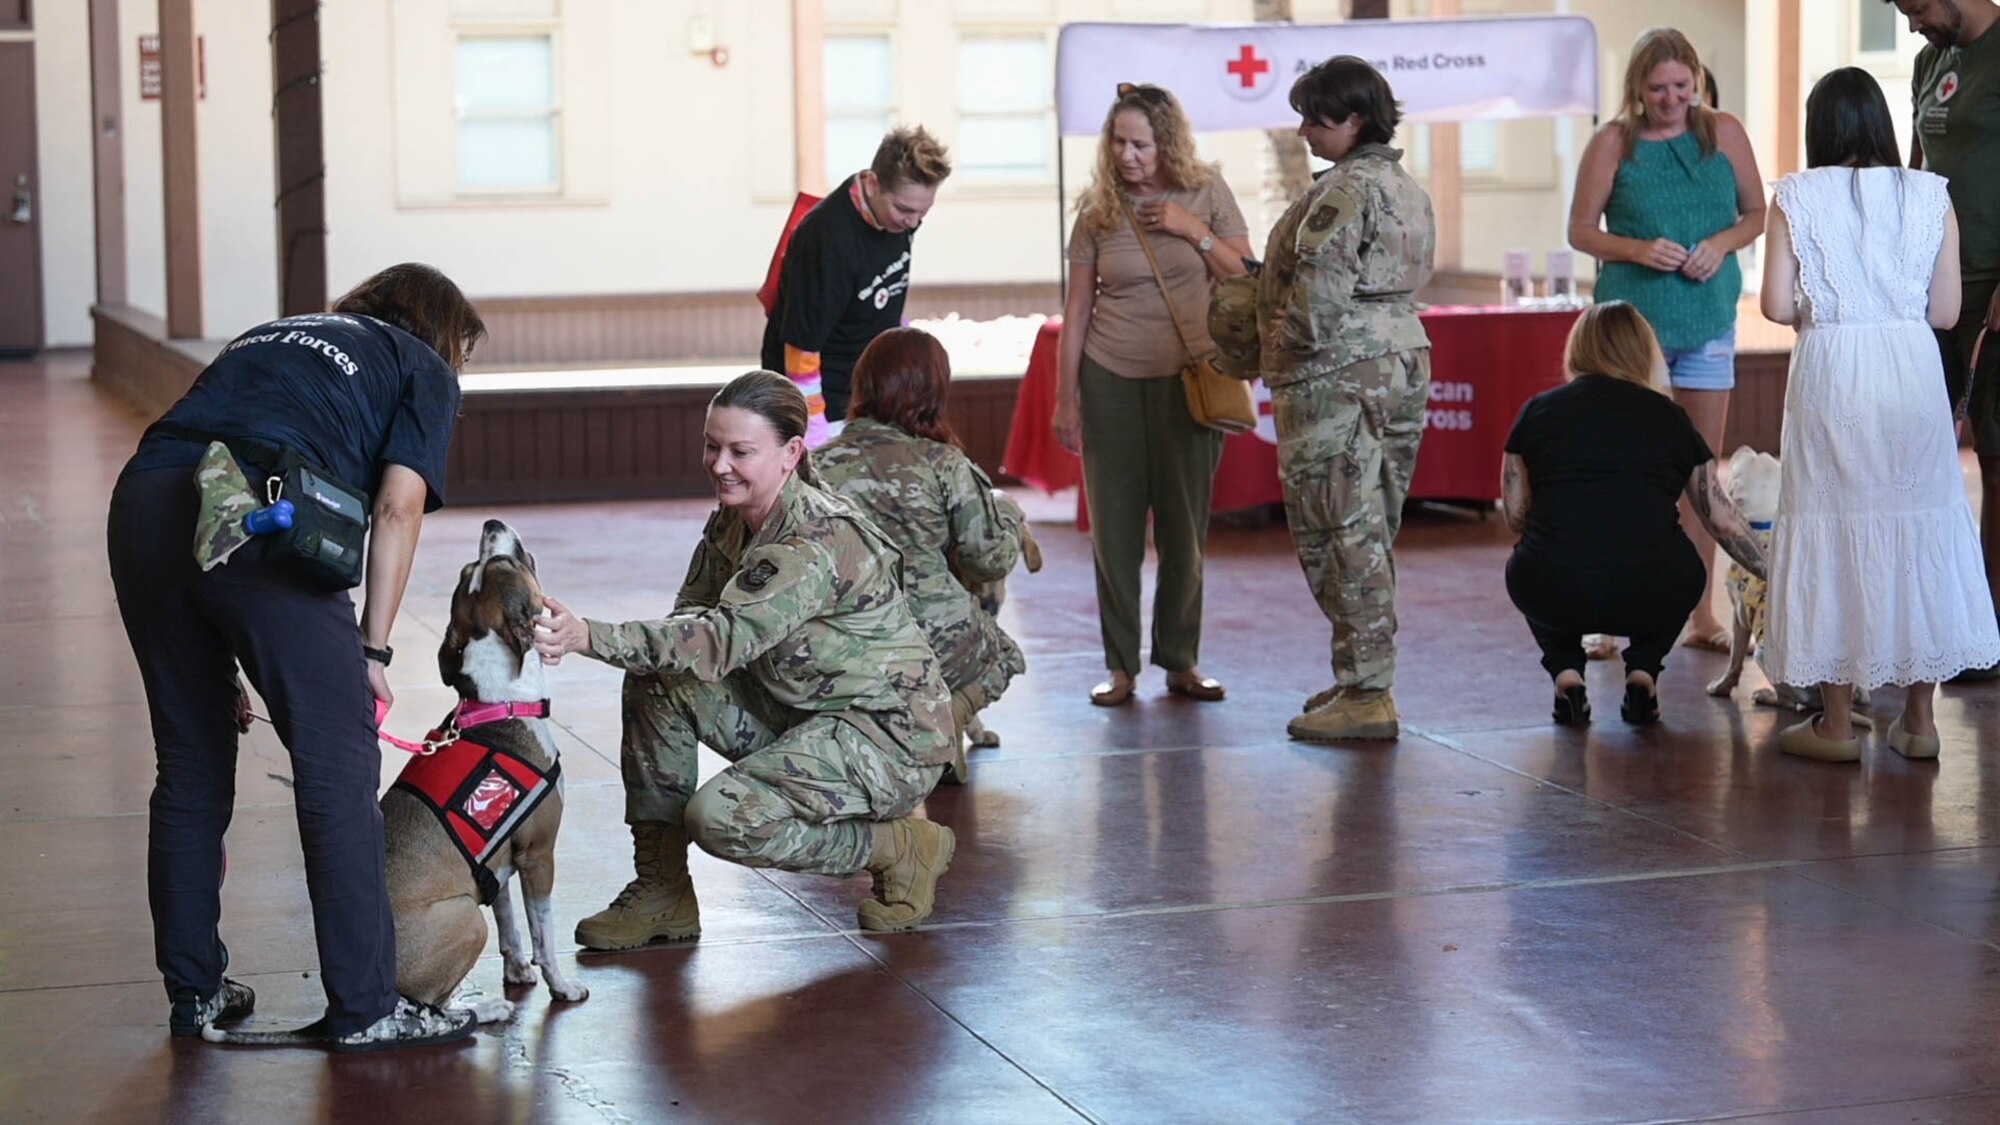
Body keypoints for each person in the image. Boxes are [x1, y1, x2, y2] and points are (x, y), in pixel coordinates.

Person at [106, 263, 486, 1050]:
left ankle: (197, 992)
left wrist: (231, 649)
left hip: (145, 497)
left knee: (190, 758)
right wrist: (372, 647)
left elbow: (208, 467)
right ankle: (367, 1005)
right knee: (337, 761)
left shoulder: (272, 336)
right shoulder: (421, 367)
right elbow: (397, 503)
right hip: (261, 505)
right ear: (446, 335)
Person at [534, 371, 959, 947]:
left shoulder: (812, 540)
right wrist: (630, 645)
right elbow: (690, 618)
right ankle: (663, 892)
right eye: (712, 446)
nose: (718, 464)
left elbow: (716, 641)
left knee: (721, 818)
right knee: (657, 681)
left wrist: (590, 636)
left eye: (740, 451)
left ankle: (899, 849)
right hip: (805, 708)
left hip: (888, 735)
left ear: (790, 454)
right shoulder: (735, 520)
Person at [1758, 67, 2000, 761]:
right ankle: (1920, 721)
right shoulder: (1931, 195)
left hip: (1833, 369)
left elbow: (1776, 305)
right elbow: (1948, 313)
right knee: (1917, 521)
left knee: (1833, 524)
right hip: (1911, 369)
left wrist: (1822, 311)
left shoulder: (1796, 197)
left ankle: (1836, 725)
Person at [1053, 82, 1253, 708]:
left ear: (1167, 143)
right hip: (1109, 377)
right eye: (1118, 142)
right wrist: (1066, 399)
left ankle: (1181, 662)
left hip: (1191, 380)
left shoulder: (1207, 193)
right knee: (1114, 535)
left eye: (1140, 143)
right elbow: (1077, 309)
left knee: (1184, 532)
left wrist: (1190, 229)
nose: (1128, 155)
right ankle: (1120, 668)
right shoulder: (1097, 210)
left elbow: (1246, 275)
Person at [1568, 28, 1766, 651]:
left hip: (1708, 317)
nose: (1671, 99)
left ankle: (1699, 613)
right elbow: (1580, 230)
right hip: (1631, 330)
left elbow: (1757, 213)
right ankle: (1607, 614)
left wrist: (1721, 244)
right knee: (1624, 470)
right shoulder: (1613, 142)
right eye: (1657, 88)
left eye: (1682, 86)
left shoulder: (1725, 132)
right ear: (1636, 88)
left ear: (1698, 81)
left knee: (1700, 472)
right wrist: (1636, 249)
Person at [1254, 56, 1434, 743]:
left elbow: (1315, 303)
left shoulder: (1345, 192)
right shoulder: (1406, 187)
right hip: (1400, 355)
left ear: (1355, 120)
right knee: (1371, 525)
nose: (1303, 131)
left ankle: (1367, 690)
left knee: (1339, 530)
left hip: (1337, 372)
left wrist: (1267, 348)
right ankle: (1360, 671)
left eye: (1315, 118)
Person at [1502, 301, 1769, 726]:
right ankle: (1643, 672)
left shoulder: (1536, 411)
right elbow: (1720, 520)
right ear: (1642, 352)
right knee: (1687, 571)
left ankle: (1567, 675)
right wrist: (1776, 572)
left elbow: (1515, 516)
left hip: (1556, 584)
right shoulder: (1672, 418)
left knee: (1531, 565)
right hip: (1651, 585)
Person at [816, 328, 1030, 785]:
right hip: (935, 642)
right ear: (934, 391)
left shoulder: (814, 467)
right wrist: (1009, 517)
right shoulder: (942, 463)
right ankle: (951, 712)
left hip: (844, 649)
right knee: (1006, 655)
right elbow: (988, 561)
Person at [1889, 0, 2000, 680]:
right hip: (1935, 286)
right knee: (1924, 455)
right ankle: (1946, 622)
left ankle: (1992, 632)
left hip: (1993, 280)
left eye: (1918, 6)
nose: (1913, 23)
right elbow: (1915, 174)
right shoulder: (1931, 60)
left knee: (1995, 454)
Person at [761, 126, 953, 449]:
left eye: (924, 212)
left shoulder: (900, 217)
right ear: (874, 183)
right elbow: (800, 350)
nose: (912, 223)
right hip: (826, 399)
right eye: (905, 210)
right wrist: (815, 433)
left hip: (872, 393)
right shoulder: (826, 238)